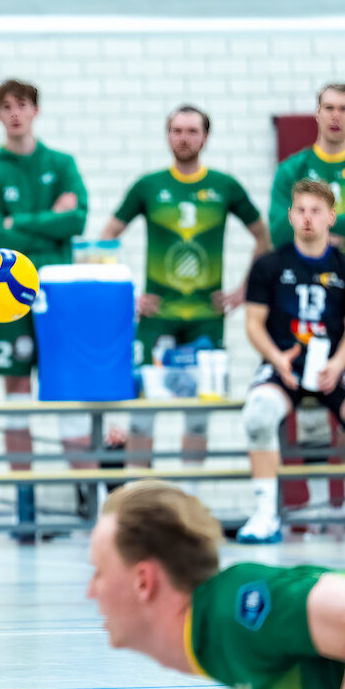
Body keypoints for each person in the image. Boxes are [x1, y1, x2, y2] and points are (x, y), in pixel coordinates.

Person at [90, 478, 345, 689]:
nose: (91, 591)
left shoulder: (233, 605)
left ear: (143, 581)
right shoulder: (209, 643)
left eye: (100, 571)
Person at [102, 105, 271, 467]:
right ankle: (141, 493)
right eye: (177, 130)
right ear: (167, 135)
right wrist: (128, 293)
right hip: (156, 319)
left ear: (205, 137)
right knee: (142, 412)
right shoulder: (148, 186)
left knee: (198, 415)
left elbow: (262, 237)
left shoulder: (225, 186)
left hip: (205, 320)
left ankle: (190, 493)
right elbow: (106, 238)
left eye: (192, 131)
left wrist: (244, 290)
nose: (184, 138)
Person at [237, 179, 345, 543]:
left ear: (331, 217)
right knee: (257, 414)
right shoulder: (268, 265)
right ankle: (265, 514)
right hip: (285, 364)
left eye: (316, 211)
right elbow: (252, 323)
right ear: (290, 215)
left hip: (336, 365)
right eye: (300, 210)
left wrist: (337, 364)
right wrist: (276, 358)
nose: (307, 218)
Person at [0, 79, 90, 484]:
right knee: (16, 397)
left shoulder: (62, 163)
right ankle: (23, 500)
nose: (15, 113)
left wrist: (17, 222)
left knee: (67, 390)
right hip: (5, 297)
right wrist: (51, 221)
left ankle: (89, 499)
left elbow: (77, 220)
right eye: (6, 107)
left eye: (22, 105)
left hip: (58, 295)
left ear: (35, 110)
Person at [270, 83, 345, 273]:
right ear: (318, 113)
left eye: (344, 109)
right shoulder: (291, 169)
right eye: (329, 108)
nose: (336, 116)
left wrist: (308, 225)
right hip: (303, 280)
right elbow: (279, 232)